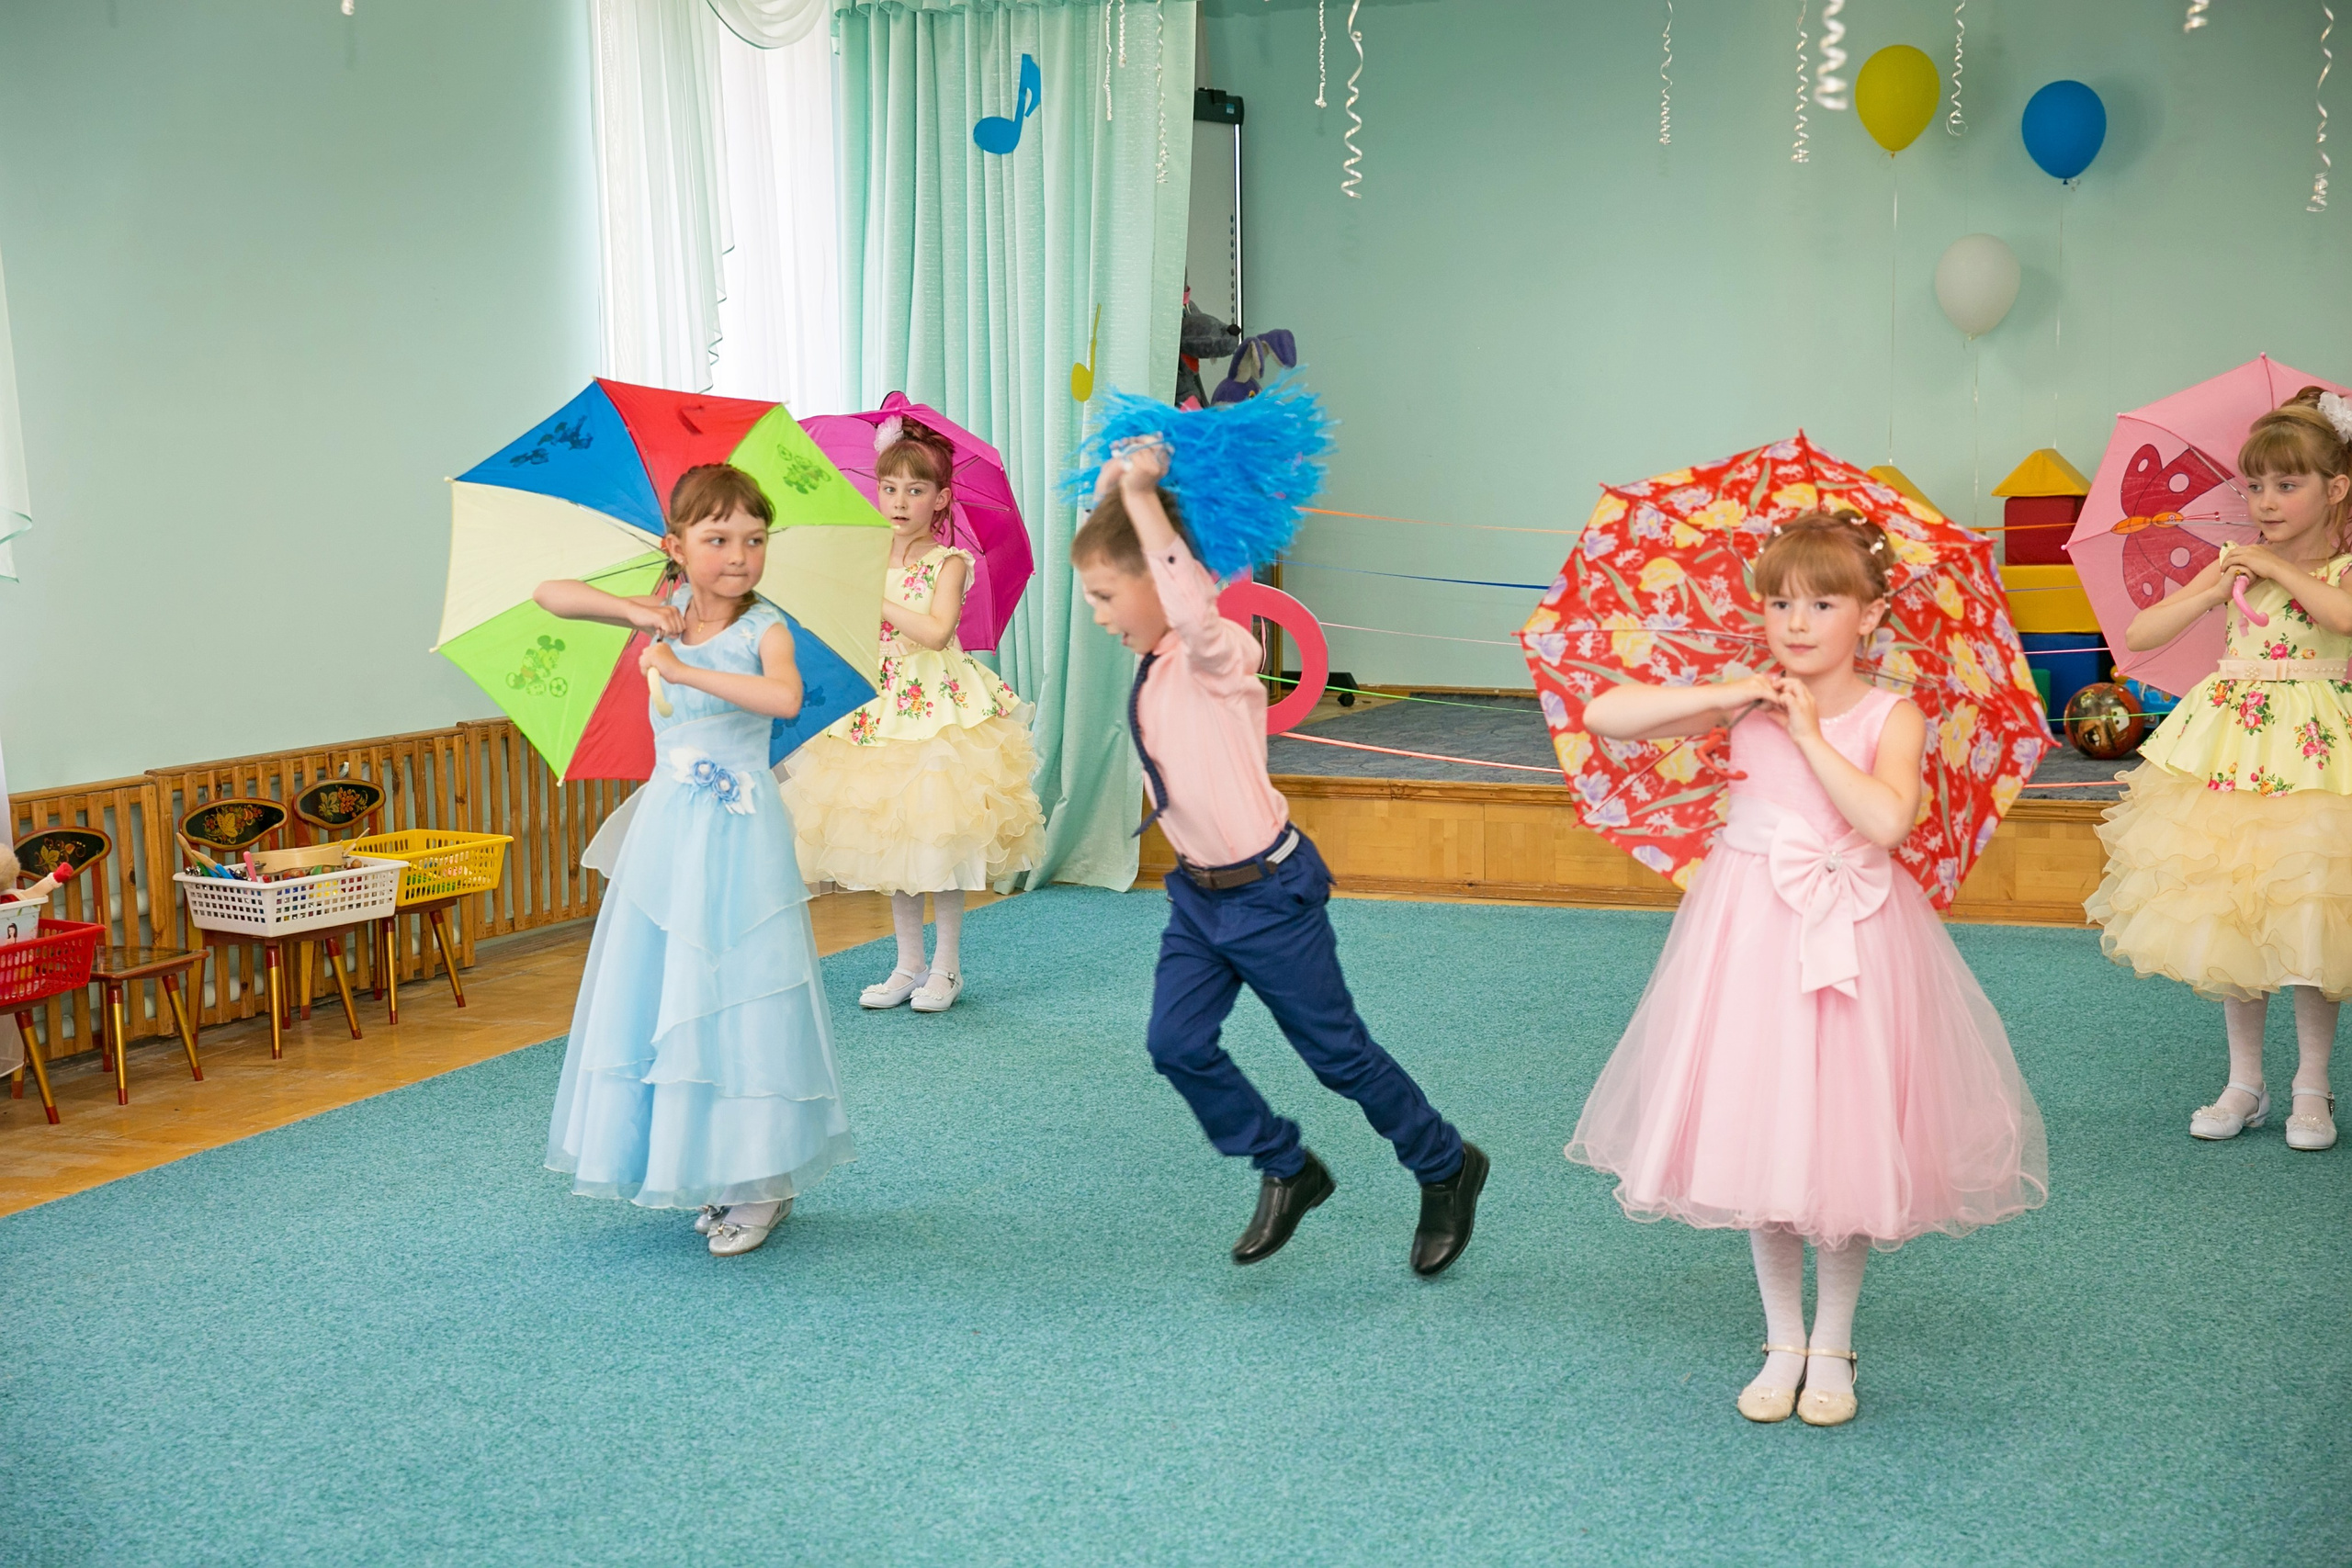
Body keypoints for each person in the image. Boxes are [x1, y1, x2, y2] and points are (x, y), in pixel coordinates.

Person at [1567, 512, 2046, 1426]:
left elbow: (1884, 822)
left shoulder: (1890, 713)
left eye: (1821, 602)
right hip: (1748, 931)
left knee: (1844, 1134)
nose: (1795, 620)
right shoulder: (1746, 699)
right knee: (1762, 1123)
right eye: (1779, 602)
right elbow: (1606, 715)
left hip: (1854, 936)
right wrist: (1731, 690)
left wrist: (1812, 737)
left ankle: (1832, 1341)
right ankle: (1780, 1336)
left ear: (1866, 617)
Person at [1073, 434, 1487, 1276]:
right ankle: (1286, 1165)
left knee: (1338, 1055)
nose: (1097, 612)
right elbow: (1138, 563)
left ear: (1164, 578)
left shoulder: (1219, 656)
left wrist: (1147, 499)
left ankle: (1446, 1163)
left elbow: (1185, 598)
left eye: (1105, 594)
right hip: (1197, 898)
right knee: (1175, 1043)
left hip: (1269, 896)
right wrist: (1118, 489)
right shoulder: (1153, 664)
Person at [535, 464, 854, 1258]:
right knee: (676, 985)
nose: (739, 556)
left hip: (739, 828)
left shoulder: (765, 626)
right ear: (676, 546)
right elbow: (551, 593)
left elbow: (783, 699)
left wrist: (681, 670)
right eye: (717, 539)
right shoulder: (664, 611)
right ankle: (715, 1166)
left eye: (754, 539)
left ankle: (763, 1180)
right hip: (671, 827)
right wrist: (637, 609)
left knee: (744, 985)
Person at [2087, 387, 2352, 1153]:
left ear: (2336, 488)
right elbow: (2141, 631)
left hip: (2316, 756)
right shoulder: (2235, 566)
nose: (2264, 501)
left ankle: (2312, 1083)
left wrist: (2273, 564)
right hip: (2235, 748)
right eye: (2255, 485)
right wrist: (2211, 586)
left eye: (2287, 484)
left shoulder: (2339, 568)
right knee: (2235, 907)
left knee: (2309, 909)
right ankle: (2245, 1081)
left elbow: (2342, 619)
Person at [781, 417, 1043, 1015]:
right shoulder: (866, 553)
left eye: (916, 490)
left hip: (936, 704)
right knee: (893, 838)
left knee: (937, 833)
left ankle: (946, 968)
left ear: (941, 497)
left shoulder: (948, 560)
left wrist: (877, 596)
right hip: (879, 704)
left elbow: (936, 629)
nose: (900, 501)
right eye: (890, 487)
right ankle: (908, 964)